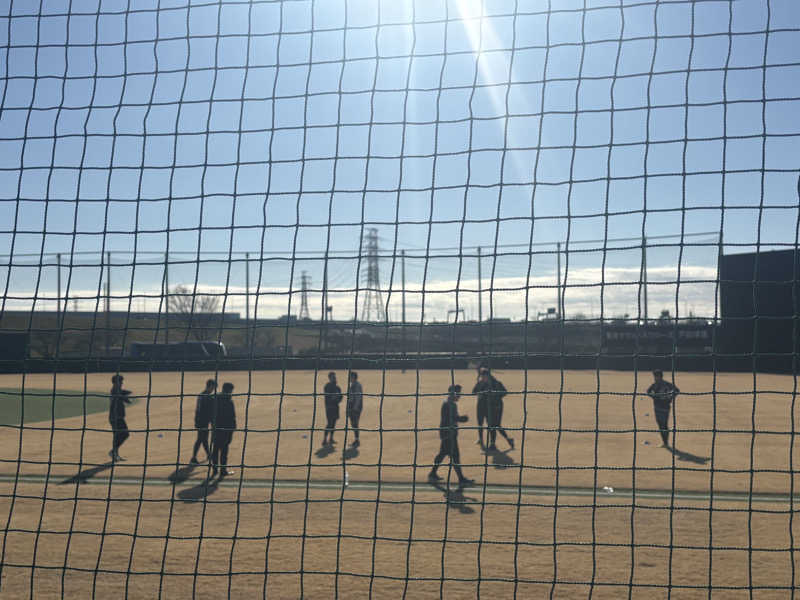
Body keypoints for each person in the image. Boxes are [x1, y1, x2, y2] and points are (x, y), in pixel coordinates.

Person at [428, 384, 473, 489]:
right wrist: (461, 419)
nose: (459, 396)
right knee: (455, 456)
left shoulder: (450, 403)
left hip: (447, 433)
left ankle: (432, 474)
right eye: (458, 393)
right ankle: (461, 479)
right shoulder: (448, 404)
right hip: (448, 434)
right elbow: (450, 418)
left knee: (443, 453)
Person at [477, 368, 514, 452]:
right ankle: (504, 440)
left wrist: (494, 395)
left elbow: (504, 392)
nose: (482, 378)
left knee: (496, 425)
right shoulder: (481, 383)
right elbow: (475, 391)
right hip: (488, 407)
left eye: (483, 376)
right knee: (493, 425)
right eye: (481, 376)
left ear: (488, 375)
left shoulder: (496, 383)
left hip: (497, 406)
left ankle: (497, 442)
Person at [647, 369, 680, 448]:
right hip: (663, 407)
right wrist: (670, 398)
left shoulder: (656, 384)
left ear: (658, 376)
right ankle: (665, 442)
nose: (654, 378)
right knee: (663, 425)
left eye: (655, 376)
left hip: (660, 408)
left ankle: (665, 442)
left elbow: (648, 392)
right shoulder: (666, 384)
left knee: (662, 425)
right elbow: (677, 390)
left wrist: (655, 397)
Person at [210, 382, 237, 478]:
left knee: (215, 450)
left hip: (216, 428)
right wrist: (233, 429)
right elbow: (232, 417)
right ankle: (223, 470)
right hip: (226, 430)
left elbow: (211, 415)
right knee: (224, 451)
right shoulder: (229, 402)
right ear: (229, 390)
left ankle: (214, 470)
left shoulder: (215, 400)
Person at [190, 378, 216, 464]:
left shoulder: (201, 395)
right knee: (201, 439)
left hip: (199, 420)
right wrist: (212, 423)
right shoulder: (208, 397)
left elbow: (198, 410)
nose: (213, 389)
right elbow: (209, 412)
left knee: (203, 439)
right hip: (203, 421)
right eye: (213, 387)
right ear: (210, 386)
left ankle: (208, 455)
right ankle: (194, 457)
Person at [109, 374, 132, 462]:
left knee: (118, 435)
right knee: (124, 434)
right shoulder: (115, 390)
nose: (122, 383)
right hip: (116, 418)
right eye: (120, 381)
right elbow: (122, 397)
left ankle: (115, 453)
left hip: (117, 417)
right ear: (116, 382)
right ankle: (113, 452)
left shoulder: (116, 389)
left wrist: (127, 393)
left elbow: (123, 392)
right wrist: (127, 398)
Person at [322, 372, 342, 445]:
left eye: (335, 377)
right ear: (329, 378)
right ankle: (324, 439)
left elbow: (340, 398)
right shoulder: (327, 386)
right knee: (329, 423)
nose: (334, 378)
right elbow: (328, 397)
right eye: (333, 377)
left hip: (336, 408)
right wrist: (334, 397)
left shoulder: (337, 387)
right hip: (329, 408)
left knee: (333, 424)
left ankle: (331, 438)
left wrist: (337, 397)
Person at [472, 367, 489, 447]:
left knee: (490, 424)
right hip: (480, 406)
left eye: (485, 375)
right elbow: (473, 392)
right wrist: (479, 385)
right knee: (480, 423)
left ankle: (492, 441)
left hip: (489, 406)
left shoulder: (490, 384)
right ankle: (480, 439)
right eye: (482, 375)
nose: (484, 377)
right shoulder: (479, 383)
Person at [346, 371, 363, 448]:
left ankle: (357, 440)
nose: (349, 378)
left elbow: (358, 398)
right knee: (353, 424)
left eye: (351, 377)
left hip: (355, 407)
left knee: (355, 423)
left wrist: (355, 408)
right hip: (352, 406)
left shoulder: (357, 385)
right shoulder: (353, 385)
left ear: (354, 377)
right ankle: (356, 439)